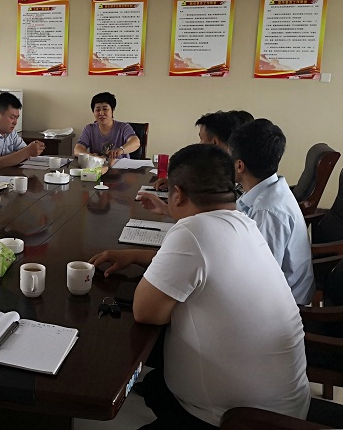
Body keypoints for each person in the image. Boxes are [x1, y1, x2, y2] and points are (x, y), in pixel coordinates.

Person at [90, 144, 310, 429]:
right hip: (282, 408)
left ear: (177, 194)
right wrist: (136, 255)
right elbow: (203, 266)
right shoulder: (244, 223)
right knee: (156, 380)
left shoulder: (192, 231)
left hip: (240, 420)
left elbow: (146, 312)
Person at [228, 119, 315, 305]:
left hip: (283, 304)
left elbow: (261, 278)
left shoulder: (267, 212)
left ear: (239, 166)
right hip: (271, 291)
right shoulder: (268, 190)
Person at [154, 110, 253, 190]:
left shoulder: (237, 173)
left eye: (201, 138)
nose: (200, 143)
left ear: (214, 142)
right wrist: (178, 184)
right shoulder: (220, 167)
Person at [0, 92, 45, 172]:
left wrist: (31, 149)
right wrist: (27, 151)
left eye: (16, 118)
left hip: (5, 175)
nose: (15, 122)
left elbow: (23, 152)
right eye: (12, 117)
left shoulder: (11, 133)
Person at [73, 92, 140, 160]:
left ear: (112, 110)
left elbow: (136, 142)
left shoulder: (123, 127)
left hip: (121, 165)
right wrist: (92, 156)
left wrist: (121, 150)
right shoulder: (89, 129)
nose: (101, 113)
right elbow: (77, 150)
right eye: (97, 110)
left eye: (105, 109)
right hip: (98, 166)